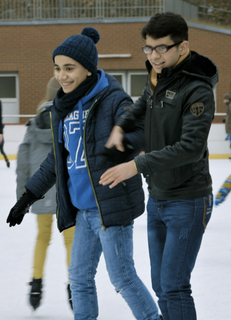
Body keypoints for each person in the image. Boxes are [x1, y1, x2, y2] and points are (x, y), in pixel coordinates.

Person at [7, 27, 162, 320]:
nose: (62, 76)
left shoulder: (113, 99)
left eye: (69, 68)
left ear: (88, 70)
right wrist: (28, 195)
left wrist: (125, 144)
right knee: (78, 279)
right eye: (57, 68)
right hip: (82, 211)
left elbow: (143, 129)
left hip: (109, 207)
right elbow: (57, 159)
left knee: (122, 277)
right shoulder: (61, 108)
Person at [99, 12, 218, 320]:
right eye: (148, 48)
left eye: (162, 48)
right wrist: (121, 126)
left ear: (183, 46)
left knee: (175, 286)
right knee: (160, 285)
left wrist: (136, 165)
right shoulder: (158, 77)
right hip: (159, 197)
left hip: (188, 199)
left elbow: (190, 148)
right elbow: (141, 104)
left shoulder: (197, 89)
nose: (154, 55)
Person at [16, 76, 75, 311]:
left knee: (42, 237)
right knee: (70, 240)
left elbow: (22, 164)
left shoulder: (33, 125)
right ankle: (74, 287)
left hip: (39, 191)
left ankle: (36, 285)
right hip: (65, 192)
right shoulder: (71, 120)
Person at [222, 93, 231, 159]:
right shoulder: (229, 106)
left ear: (227, 99)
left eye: (224, 99)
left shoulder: (230, 106)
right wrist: (225, 119)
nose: (223, 101)